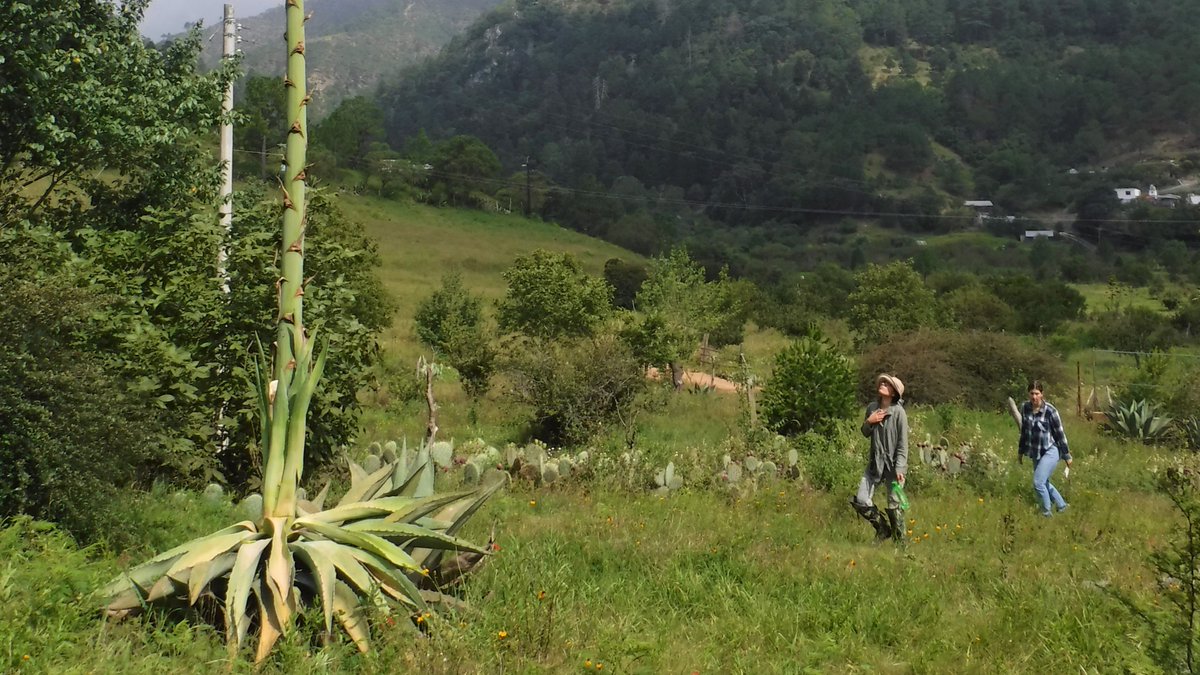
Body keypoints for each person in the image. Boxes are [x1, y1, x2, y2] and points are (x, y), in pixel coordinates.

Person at [851, 374, 909, 543]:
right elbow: (865, 432)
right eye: (882, 381)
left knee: (895, 505)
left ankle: (901, 544)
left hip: (893, 467)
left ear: (893, 393)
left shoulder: (899, 413)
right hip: (874, 464)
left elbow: (902, 444)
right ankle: (882, 529)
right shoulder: (871, 408)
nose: (883, 383)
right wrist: (869, 421)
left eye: (887, 383)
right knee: (861, 499)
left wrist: (900, 469)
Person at [1018, 380, 1072, 516]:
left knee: (1038, 482)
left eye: (1037, 393)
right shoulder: (1025, 408)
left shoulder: (1050, 411)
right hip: (1035, 451)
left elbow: (1060, 434)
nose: (1034, 397)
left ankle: (1046, 512)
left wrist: (1067, 456)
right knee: (1044, 482)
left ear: (1042, 394)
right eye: (1031, 393)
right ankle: (1062, 506)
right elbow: (1024, 431)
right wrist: (1020, 451)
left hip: (1050, 450)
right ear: (1028, 394)